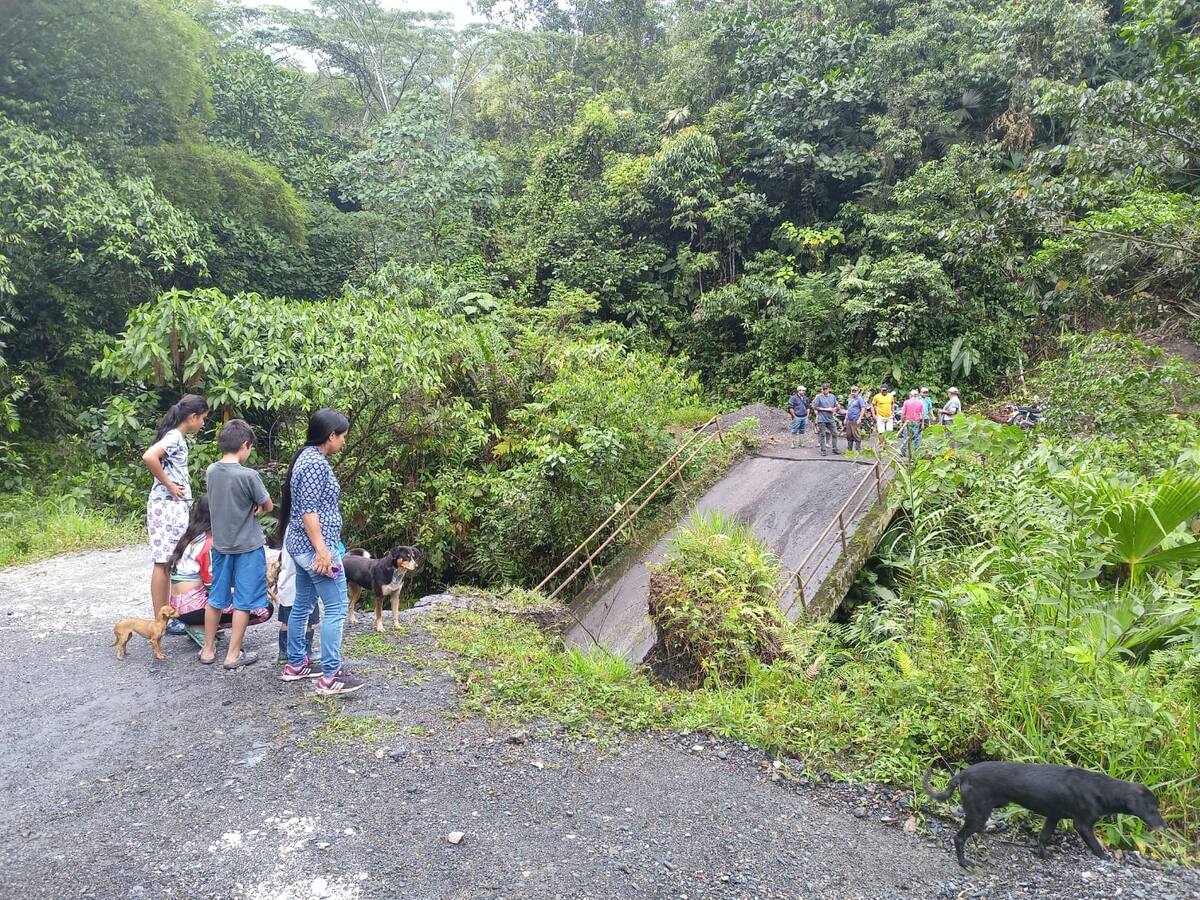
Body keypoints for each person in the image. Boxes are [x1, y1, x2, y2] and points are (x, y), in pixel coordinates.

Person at [278, 408, 366, 696]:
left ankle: (296, 664)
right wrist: (323, 552)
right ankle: (331, 675)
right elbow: (309, 512)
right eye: (343, 437)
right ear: (331, 436)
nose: (344, 442)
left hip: (300, 546)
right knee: (337, 607)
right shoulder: (315, 464)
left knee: (302, 602)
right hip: (314, 549)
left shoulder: (305, 457)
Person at [199, 419, 274, 669]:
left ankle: (208, 650)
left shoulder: (211, 471)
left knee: (216, 598)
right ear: (245, 445)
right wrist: (259, 508)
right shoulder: (249, 475)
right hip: (248, 548)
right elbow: (268, 505)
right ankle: (233, 655)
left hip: (220, 546)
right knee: (243, 601)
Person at [142, 394, 209, 632]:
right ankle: (162, 620)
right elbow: (149, 456)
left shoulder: (176, 436)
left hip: (171, 505)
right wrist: (169, 484)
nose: (203, 424)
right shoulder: (174, 437)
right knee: (163, 563)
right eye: (202, 419)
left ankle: (167, 616)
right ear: (192, 417)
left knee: (168, 562)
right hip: (166, 505)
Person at [168, 494, 272, 643]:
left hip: (180, 603)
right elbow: (215, 588)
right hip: (192, 607)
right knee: (263, 607)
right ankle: (201, 626)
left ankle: (201, 625)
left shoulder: (193, 536)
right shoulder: (210, 544)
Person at [273, 531, 317, 664]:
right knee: (307, 621)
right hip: (303, 585)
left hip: (286, 584)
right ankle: (306, 652)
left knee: (286, 621)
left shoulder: (288, 531)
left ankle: (284, 653)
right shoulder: (304, 529)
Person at [812, 383, 842, 455]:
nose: (824, 390)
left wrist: (836, 408)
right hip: (821, 419)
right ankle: (823, 450)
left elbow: (836, 405)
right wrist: (827, 409)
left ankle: (835, 448)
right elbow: (816, 407)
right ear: (822, 389)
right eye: (823, 389)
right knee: (822, 434)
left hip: (830, 418)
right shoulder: (819, 397)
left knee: (835, 433)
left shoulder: (832, 396)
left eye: (826, 389)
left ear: (829, 389)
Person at [901, 389, 925, 458]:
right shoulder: (920, 403)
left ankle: (903, 452)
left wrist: (901, 421)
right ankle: (916, 451)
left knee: (905, 437)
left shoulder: (906, 402)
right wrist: (922, 423)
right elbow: (922, 414)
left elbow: (903, 413)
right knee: (916, 437)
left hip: (908, 421)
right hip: (916, 421)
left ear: (910, 395)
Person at [787, 385, 810, 449]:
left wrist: (807, 415)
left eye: (804, 391)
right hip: (797, 416)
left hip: (804, 416)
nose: (803, 392)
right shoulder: (793, 398)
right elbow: (790, 408)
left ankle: (801, 443)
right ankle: (793, 443)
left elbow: (808, 407)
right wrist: (794, 416)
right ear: (799, 391)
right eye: (802, 390)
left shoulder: (806, 398)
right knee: (794, 430)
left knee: (802, 430)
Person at [844, 386, 866, 452]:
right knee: (848, 435)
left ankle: (858, 449)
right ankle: (849, 449)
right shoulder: (850, 399)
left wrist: (860, 418)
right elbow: (848, 409)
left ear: (858, 391)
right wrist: (845, 418)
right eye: (852, 391)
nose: (853, 393)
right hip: (849, 420)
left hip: (855, 419)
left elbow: (863, 408)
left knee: (856, 434)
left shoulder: (859, 399)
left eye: (855, 391)